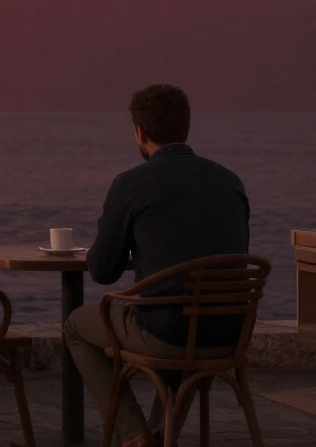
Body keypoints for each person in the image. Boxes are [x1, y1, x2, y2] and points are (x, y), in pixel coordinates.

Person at [64, 84, 250, 447]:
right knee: (187, 314)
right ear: (187, 127)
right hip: (229, 332)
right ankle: (164, 435)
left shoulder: (132, 184)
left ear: (139, 132)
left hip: (167, 333)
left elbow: (103, 271)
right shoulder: (231, 182)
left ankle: (134, 434)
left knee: (75, 325)